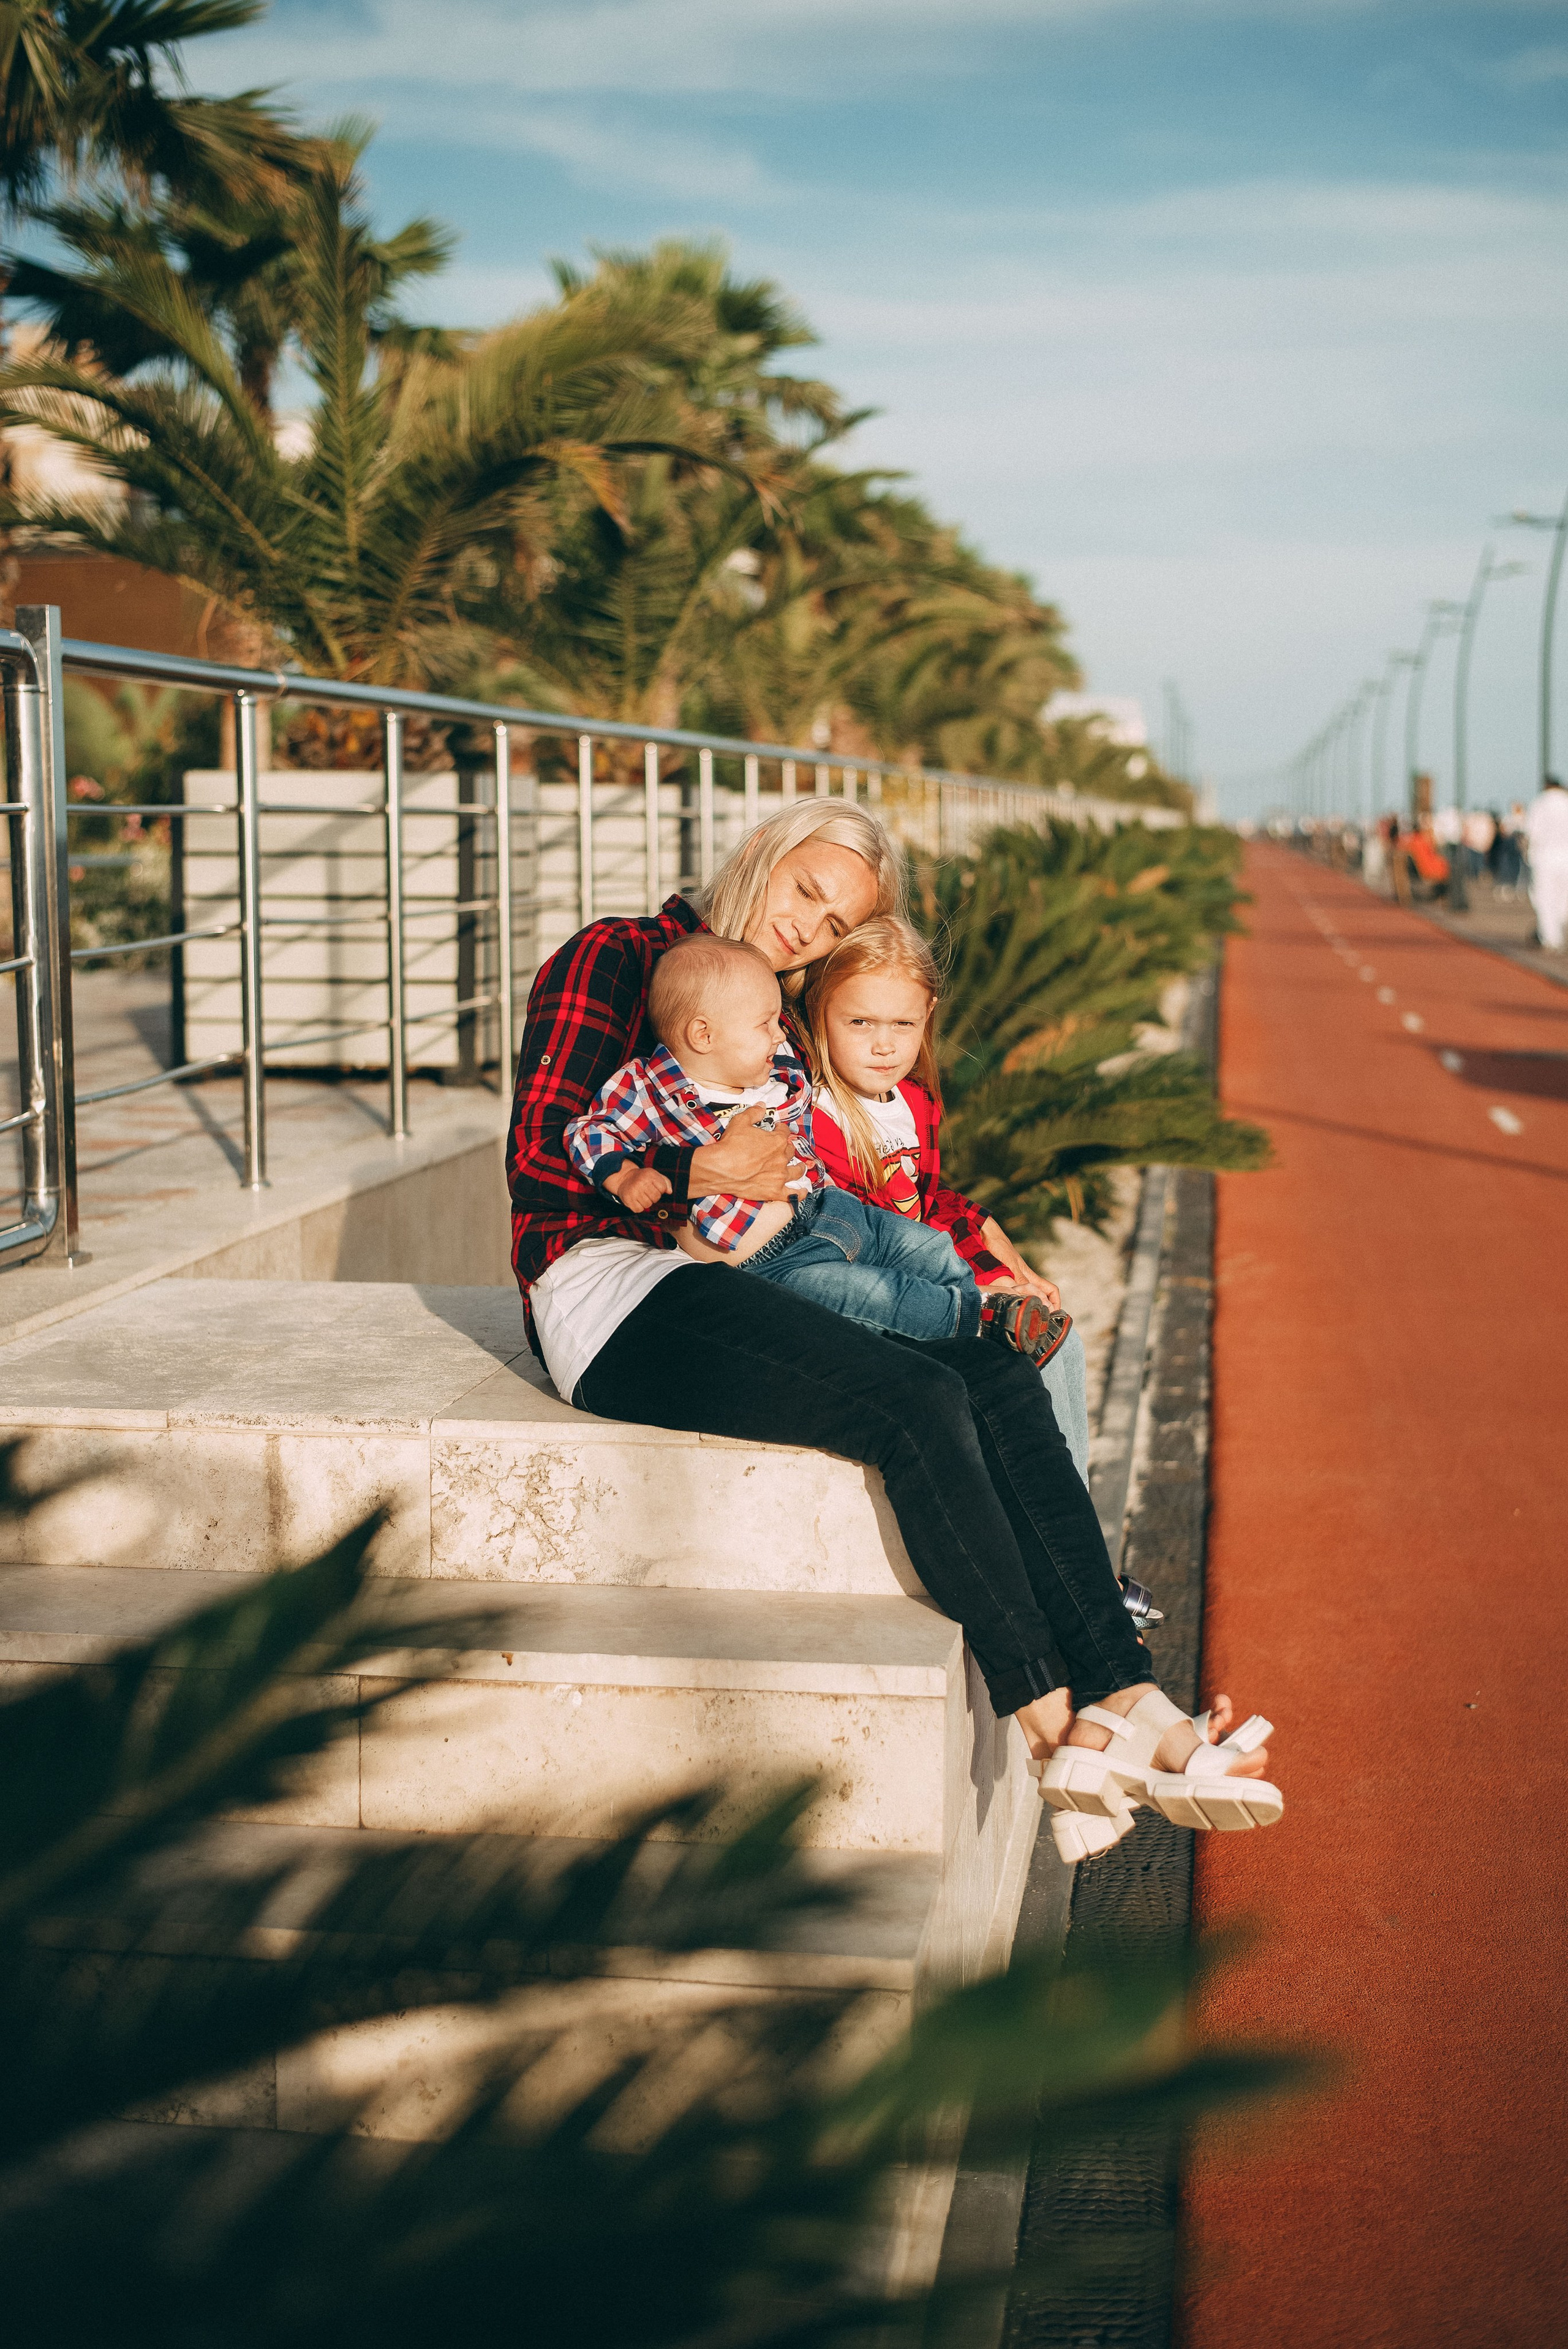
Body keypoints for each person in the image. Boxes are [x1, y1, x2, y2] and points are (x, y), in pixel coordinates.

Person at [507, 799, 1281, 1865]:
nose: (808, 931)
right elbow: (541, 1153)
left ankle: (1129, 1692)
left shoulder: (777, 1021)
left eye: (833, 928)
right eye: (806, 894)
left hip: (747, 1269)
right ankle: (1058, 1730)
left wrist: (969, 1251)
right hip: (614, 1289)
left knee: (992, 1369)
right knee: (914, 1402)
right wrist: (696, 1175)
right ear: (761, 859)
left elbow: (849, 1184)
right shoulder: (622, 957)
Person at [562, 929, 1061, 1360]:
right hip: (772, 1265)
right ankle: (982, 1319)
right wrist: (625, 1176)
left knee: (925, 1243)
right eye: (765, 1024)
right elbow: (588, 1131)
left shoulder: (773, 1075)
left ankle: (980, 1299)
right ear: (703, 1034)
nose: (780, 1033)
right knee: (873, 1295)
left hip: (828, 1211)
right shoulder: (649, 1089)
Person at [801, 914, 1090, 1485]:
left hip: (929, 1282)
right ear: (820, 1015)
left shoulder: (913, 1102)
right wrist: (980, 1292)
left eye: (903, 1024)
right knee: (1047, 1349)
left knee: (1055, 1332)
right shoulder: (820, 1116)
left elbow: (932, 1206)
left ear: (928, 1016)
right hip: (879, 1302)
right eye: (859, 1022)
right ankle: (1071, 1543)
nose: (884, 1044)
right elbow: (872, 1238)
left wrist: (1005, 1268)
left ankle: (1071, 1525)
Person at [1526, 775, 1568, 951]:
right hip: (1566, 857)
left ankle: (1551, 937)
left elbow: (1532, 832)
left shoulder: (1540, 803)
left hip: (1544, 857)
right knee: (1563, 897)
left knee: (1545, 898)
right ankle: (1558, 926)